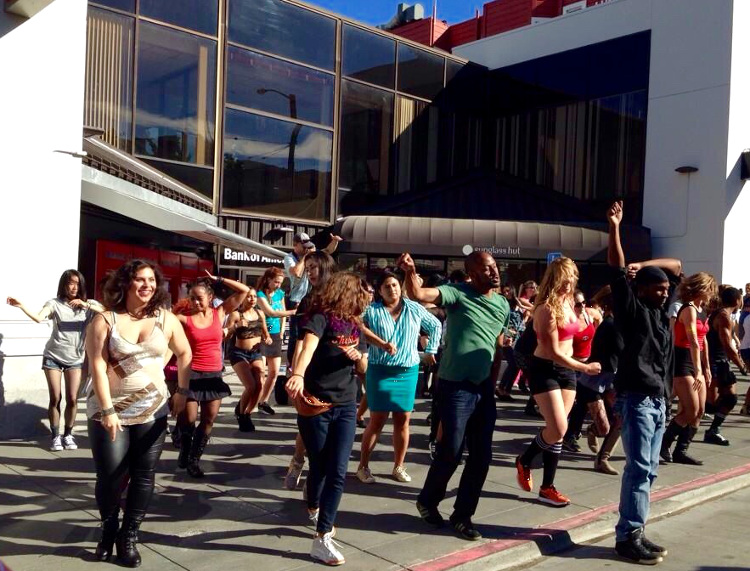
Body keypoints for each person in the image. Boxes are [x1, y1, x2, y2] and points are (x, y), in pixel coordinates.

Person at [85, 260, 191, 567]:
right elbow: (97, 367)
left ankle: (128, 536)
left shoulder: (166, 318)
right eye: (140, 280)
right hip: (109, 412)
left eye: (151, 280)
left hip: (153, 411)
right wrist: (107, 410)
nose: (147, 285)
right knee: (111, 476)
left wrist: (182, 392)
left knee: (144, 476)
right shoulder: (105, 320)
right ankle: (108, 530)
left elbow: (184, 352)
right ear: (126, 284)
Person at [398, 250, 509, 542]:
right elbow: (419, 293)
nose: (493, 273)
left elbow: (497, 347)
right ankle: (428, 501)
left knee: (482, 456)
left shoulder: (501, 303)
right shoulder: (458, 294)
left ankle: (463, 516)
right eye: (486, 269)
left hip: (483, 388)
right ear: (472, 272)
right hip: (455, 386)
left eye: (495, 267)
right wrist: (410, 270)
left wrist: (494, 383)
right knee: (452, 451)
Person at [607, 200, 681, 565]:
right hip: (636, 399)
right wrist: (616, 228)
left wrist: (648, 265)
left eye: (667, 289)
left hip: (658, 401)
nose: (665, 291)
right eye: (658, 288)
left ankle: (636, 528)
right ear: (642, 289)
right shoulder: (632, 310)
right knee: (638, 469)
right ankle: (627, 536)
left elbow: (677, 266)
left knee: (649, 471)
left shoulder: (662, 315)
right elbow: (617, 270)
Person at [284, 272, 369, 566]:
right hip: (316, 403)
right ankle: (312, 502)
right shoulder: (320, 317)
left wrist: (357, 356)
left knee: (338, 469)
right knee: (319, 464)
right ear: (347, 292)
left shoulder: (356, 323)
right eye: (361, 291)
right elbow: (306, 347)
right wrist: (297, 374)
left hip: (346, 403)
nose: (365, 297)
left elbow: (364, 365)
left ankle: (322, 538)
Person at [515, 259, 601, 507]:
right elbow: (553, 351)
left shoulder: (570, 303)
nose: (567, 284)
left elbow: (576, 336)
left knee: (558, 434)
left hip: (567, 372)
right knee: (559, 428)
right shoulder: (545, 308)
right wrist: (585, 367)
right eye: (563, 279)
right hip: (546, 369)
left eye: (571, 278)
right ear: (553, 279)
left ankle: (547, 487)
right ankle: (526, 459)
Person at [356, 270, 442, 485]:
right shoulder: (372, 310)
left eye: (394, 284)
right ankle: (363, 466)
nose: (392, 289)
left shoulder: (414, 308)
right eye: (386, 286)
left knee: (403, 420)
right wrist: (375, 343)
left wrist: (430, 350)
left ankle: (398, 466)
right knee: (377, 420)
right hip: (380, 370)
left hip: (407, 370)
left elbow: (436, 325)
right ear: (379, 290)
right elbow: (356, 325)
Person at [7, 270, 103, 451]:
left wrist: (86, 305)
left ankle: (68, 434)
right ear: (63, 285)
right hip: (53, 357)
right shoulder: (55, 304)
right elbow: (38, 317)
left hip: (75, 359)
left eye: (77, 283)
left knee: (73, 399)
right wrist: (22, 306)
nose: (74, 287)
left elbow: (109, 313)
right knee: (55, 398)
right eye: (70, 283)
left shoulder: (88, 305)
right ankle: (55, 436)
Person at [175, 272, 249, 478]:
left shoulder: (220, 312)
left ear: (210, 297)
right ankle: (184, 447)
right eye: (192, 297)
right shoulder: (183, 318)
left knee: (208, 420)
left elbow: (243, 290)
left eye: (199, 297)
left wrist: (219, 279)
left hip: (214, 375)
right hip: (191, 375)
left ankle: (194, 460)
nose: (195, 301)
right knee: (188, 421)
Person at [284, 251, 337, 491]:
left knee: (327, 433)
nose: (311, 272)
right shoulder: (307, 300)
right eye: (309, 268)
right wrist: (295, 371)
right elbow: (301, 340)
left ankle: (315, 477)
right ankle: (298, 460)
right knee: (308, 423)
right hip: (309, 368)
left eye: (315, 267)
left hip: (336, 372)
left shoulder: (340, 299)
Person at [659, 273, 717, 464]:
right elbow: (692, 341)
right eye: (710, 290)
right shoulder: (689, 309)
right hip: (683, 361)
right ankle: (664, 444)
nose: (711, 294)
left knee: (699, 412)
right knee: (691, 410)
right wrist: (699, 371)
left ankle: (680, 451)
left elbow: (703, 341)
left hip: (696, 361)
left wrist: (706, 367)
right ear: (702, 289)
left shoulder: (702, 310)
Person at [576, 286, 624, 474]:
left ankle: (602, 460)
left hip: (611, 379)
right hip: (593, 380)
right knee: (604, 427)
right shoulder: (609, 325)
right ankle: (593, 430)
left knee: (620, 420)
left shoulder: (615, 323)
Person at [702, 286, 747, 443]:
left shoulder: (722, 313)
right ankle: (674, 436)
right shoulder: (723, 316)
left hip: (721, 363)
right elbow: (727, 346)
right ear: (737, 300)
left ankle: (713, 431)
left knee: (730, 398)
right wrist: (741, 365)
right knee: (709, 405)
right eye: (741, 299)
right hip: (715, 362)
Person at [562, 289, 603, 452]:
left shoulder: (589, 314)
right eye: (578, 304)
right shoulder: (568, 321)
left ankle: (571, 433)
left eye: (584, 302)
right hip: (572, 366)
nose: (582, 306)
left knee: (583, 404)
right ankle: (567, 436)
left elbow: (599, 319)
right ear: (571, 304)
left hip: (588, 367)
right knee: (577, 404)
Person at [226, 289, 272, 432]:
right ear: (243, 298)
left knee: (260, 385)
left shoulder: (260, 314)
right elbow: (225, 335)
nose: (252, 299)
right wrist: (236, 326)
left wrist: (267, 339)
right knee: (251, 386)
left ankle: (247, 413)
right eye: (249, 296)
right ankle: (240, 414)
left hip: (256, 353)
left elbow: (265, 333)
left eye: (254, 297)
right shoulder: (236, 314)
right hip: (239, 353)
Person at [256, 267, 297, 416]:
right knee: (260, 372)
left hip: (275, 335)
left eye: (280, 282)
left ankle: (263, 401)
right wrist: (293, 312)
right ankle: (254, 399)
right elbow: (270, 312)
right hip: (260, 334)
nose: (278, 285)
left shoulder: (280, 293)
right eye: (276, 282)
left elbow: (282, 313)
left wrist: (280, 332)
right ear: (268, 280)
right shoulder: (260, 295)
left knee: (273, 372)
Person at [496, 285, 527, 401]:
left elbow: (532, 309)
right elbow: (502, 322)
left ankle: (506, 390)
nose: (506, 293)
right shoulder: (502, 303)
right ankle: (501, 388)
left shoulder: (517, 303)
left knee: (517, 365)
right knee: (513, 363)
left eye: (508, 290)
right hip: (507, 336)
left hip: (518, 337)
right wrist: (507, 334)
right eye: (504, 291)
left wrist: (522, 307)